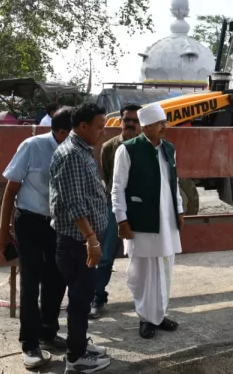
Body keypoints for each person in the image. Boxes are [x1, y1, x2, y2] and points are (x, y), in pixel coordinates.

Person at [0, 107, 73, 369]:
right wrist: (3, 230)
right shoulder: (32, 146)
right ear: (62, 132)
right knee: (31, 283)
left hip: (58, 224)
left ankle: (47, 332)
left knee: (57, 278)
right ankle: (29, 343)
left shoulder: (74, 152)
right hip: (29, 222)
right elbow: (11, 189)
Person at [112, 104, 184, 339]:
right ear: (146, 126)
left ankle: (159, 315)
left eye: (165, 122)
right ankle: (145, 318)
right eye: (159, 123)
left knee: (165, 268)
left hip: (166, 220)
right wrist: (121, 219)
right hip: (141, 220)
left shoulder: (169, 149)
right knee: (142, 272)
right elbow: (117, 188)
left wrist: (179, 210)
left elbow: (174, 183)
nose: (165, 127)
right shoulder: (127, 150)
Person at [50, 103, 110, 372]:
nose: (103, 132)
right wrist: (91, 239)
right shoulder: (72, 154)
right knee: (79, 298)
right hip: (77, 243)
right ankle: (76, 358)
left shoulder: (82, 151)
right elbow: (74, 203)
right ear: (83, 126)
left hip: (83, 240)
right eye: (99, 127)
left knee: (82, 297)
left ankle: (80, 345)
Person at [89, 104, 142, 319]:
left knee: (143, 255)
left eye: (134, 121)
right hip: (115, 205)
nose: (129, 124)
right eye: (126, 119)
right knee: (106, 253)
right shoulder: (109, 147)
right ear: (120, 121)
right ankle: (97, 295)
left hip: (141, 207)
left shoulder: (147, 147)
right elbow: (109, 178)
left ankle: (145, 300)